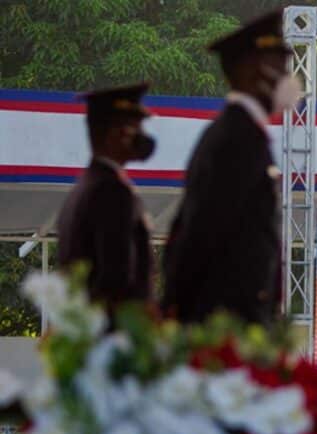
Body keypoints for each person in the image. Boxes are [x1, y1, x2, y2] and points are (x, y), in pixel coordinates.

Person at [162, 10, 299, 324]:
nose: (287, 77)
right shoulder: (236, 138)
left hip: (233, 318)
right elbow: (202, 230)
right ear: (253, 70)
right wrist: (177, 312)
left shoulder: (243, 133)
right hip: (222, 320)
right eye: (279, 65)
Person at [57, 83, 156, 314]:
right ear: (115, 134)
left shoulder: (83, 188)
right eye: (135, 127)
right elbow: (117, 278)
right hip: (117, 336)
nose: (142, 137)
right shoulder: (112, 191)